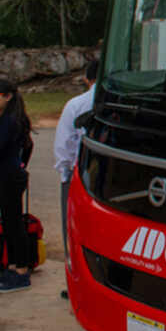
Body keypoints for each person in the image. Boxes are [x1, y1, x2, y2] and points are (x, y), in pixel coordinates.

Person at [0, 77, 34, 294]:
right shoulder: (7, 118)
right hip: (8, 175)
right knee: (10, 223)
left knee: (14, 224)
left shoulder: (10, 121)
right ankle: (12, 266)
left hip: (10, 177)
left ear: (8, 96)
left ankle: (21, 270)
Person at [52, 61, 96, 253]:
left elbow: (63, 144)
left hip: (77, 173)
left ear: (87, 79)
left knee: (73, 226)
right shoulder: (119, 102)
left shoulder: (76, 104)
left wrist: (65, 171)